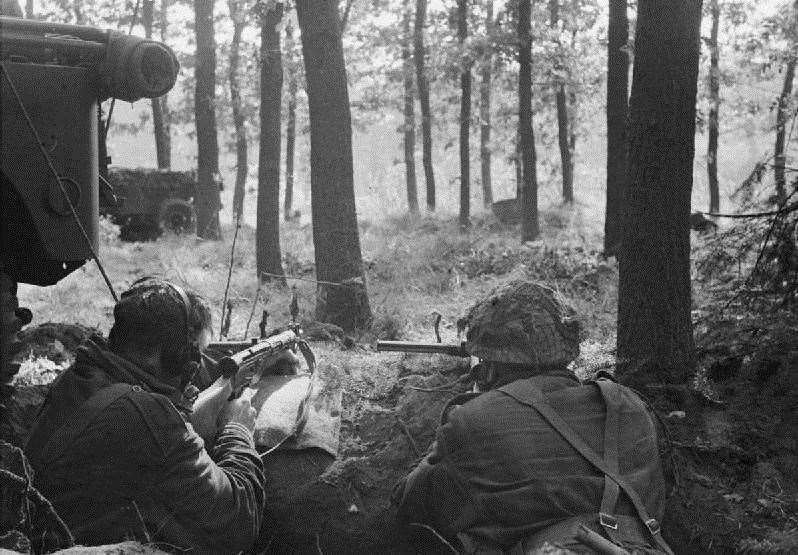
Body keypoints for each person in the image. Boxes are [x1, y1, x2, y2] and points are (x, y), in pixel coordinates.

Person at [394, 280, 673, 554]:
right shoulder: (627, 402)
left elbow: (409, 503)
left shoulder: (473, 421)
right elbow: (665, 490)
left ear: (489, 366)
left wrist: (465, 415)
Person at [24, 277, 266, 553]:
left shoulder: (80, 377)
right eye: (193, 355)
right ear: (172, 354)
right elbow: (239, 521)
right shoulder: (146, 416)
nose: (194, 366)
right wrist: (238, 429)